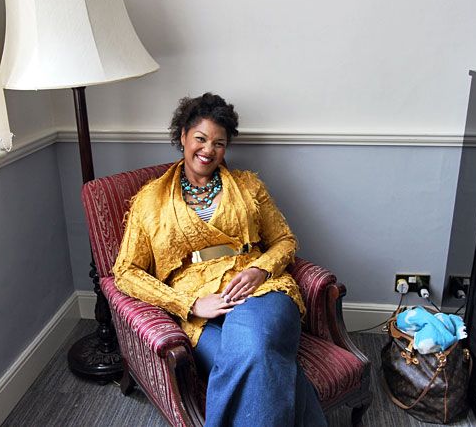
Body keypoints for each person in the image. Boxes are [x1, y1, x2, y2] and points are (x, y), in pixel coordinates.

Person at [113, 93, 327, 427]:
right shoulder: (150, 200)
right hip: (200, 311)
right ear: (183, 135)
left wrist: (260, 269)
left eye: (219, 143)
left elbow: (285, 240)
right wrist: (189, 304)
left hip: (259, 291)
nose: (208, 150)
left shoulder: (247, 185)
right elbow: (125, 272)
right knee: (261, 363)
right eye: (200, 138)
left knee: (254, 348)